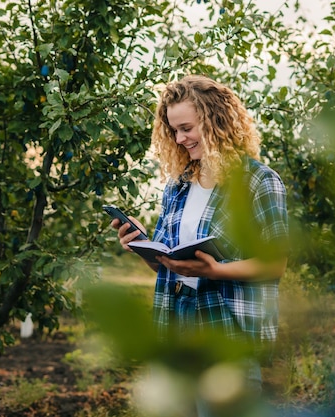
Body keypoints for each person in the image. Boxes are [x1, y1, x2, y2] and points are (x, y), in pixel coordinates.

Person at [111, 74, 289, 414]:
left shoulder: (258, 181)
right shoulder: (178, 185)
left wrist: (216, 270)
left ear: (216, 121)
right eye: (173, 130)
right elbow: (172, 266)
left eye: (187, 128)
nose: (180, 139)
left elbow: (275, 263)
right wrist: (144, 246)